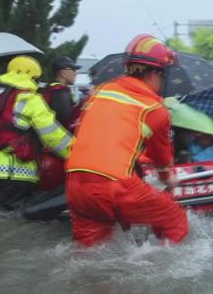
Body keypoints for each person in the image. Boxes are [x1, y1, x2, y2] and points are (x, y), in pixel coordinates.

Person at [65, 35, 188, 246]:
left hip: (75, 184)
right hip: (114, 185)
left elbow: (101, 136)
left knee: (91, 248)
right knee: (174, 218)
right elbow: (162, 160)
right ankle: (164, 275)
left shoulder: (100, 93)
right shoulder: (154, 109)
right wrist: (169, 178)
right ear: (155, 73)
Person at [0, 56, 73, 210]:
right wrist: (77, 153)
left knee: (1, 216)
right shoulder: (29, 99)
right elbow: (53, 136)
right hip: (17, 174)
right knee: (23, 217)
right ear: (30, 76)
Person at [40, 56, 82, 129]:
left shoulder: (50, 88)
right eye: (73, 70)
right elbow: (66, 122)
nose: (76, 74)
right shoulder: (60, 93)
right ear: (63, 73)